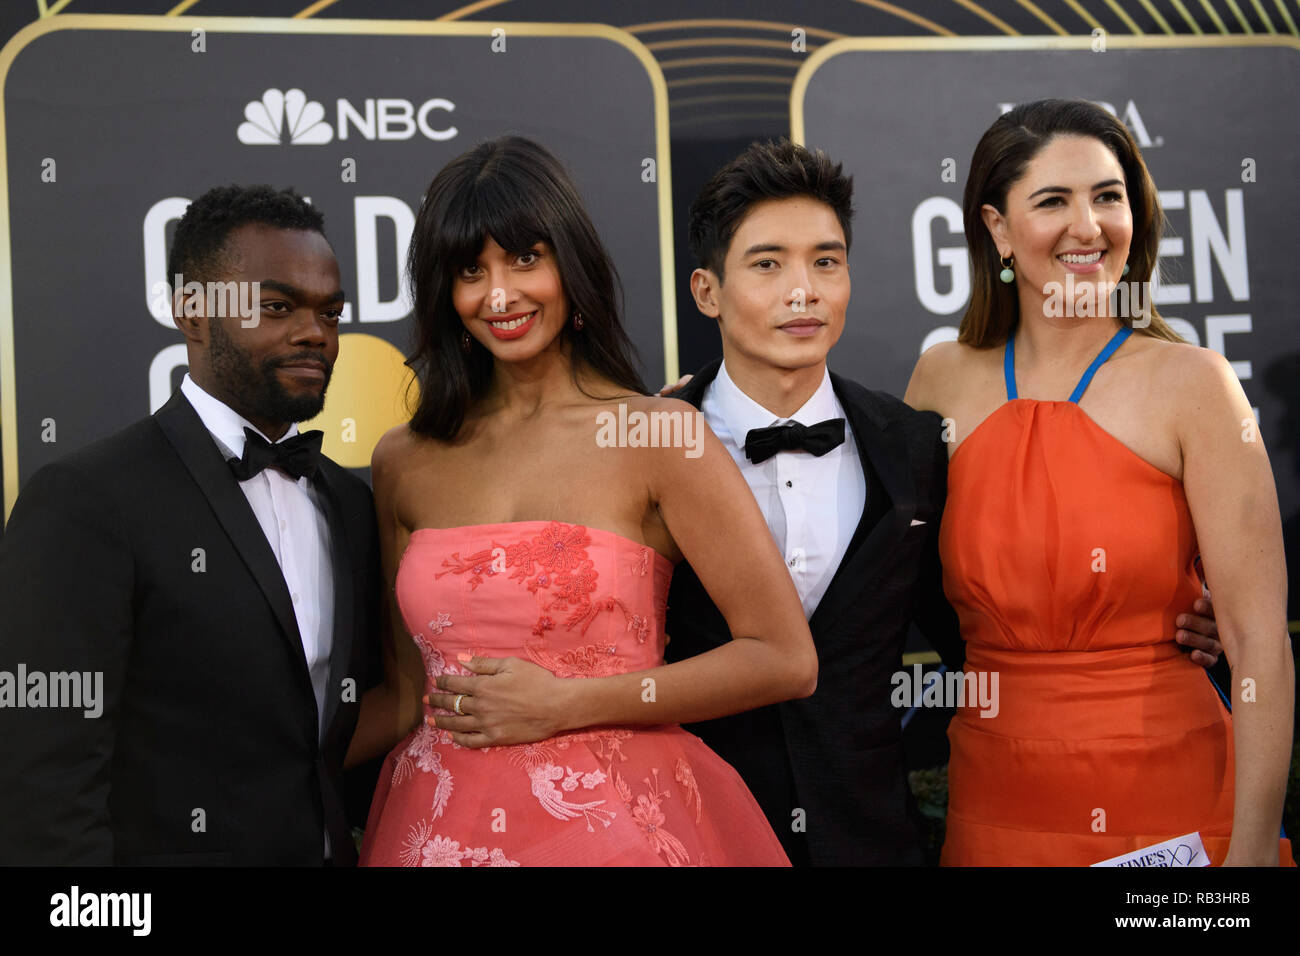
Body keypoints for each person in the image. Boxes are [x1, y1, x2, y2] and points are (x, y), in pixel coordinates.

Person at [350, 136, 816, 867]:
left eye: (525, 259)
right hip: (432, 827)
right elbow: (407, 694)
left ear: (572, 263)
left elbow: (783, 658)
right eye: (471, 270)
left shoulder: (658, 432)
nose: (499, 295)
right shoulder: (404, 459)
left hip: (612, 826)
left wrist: (563, 704)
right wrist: (249, 770)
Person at [904, 99, 1294, 866]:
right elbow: (876, 575)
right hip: (995, 806)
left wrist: (1247, 867)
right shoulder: (940, 380)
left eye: (1108, 197)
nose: (1089, 227)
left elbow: (1259, 648)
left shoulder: (1196, 385)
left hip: (1175, 810)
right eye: (1053, 201)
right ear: (997, 229)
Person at [0, 185, 381, 865]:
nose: (314, 333)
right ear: (193, 312)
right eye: (277, 306)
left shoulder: (350, 506)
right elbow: (45, 786)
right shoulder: (87, 501)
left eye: (331, 312)